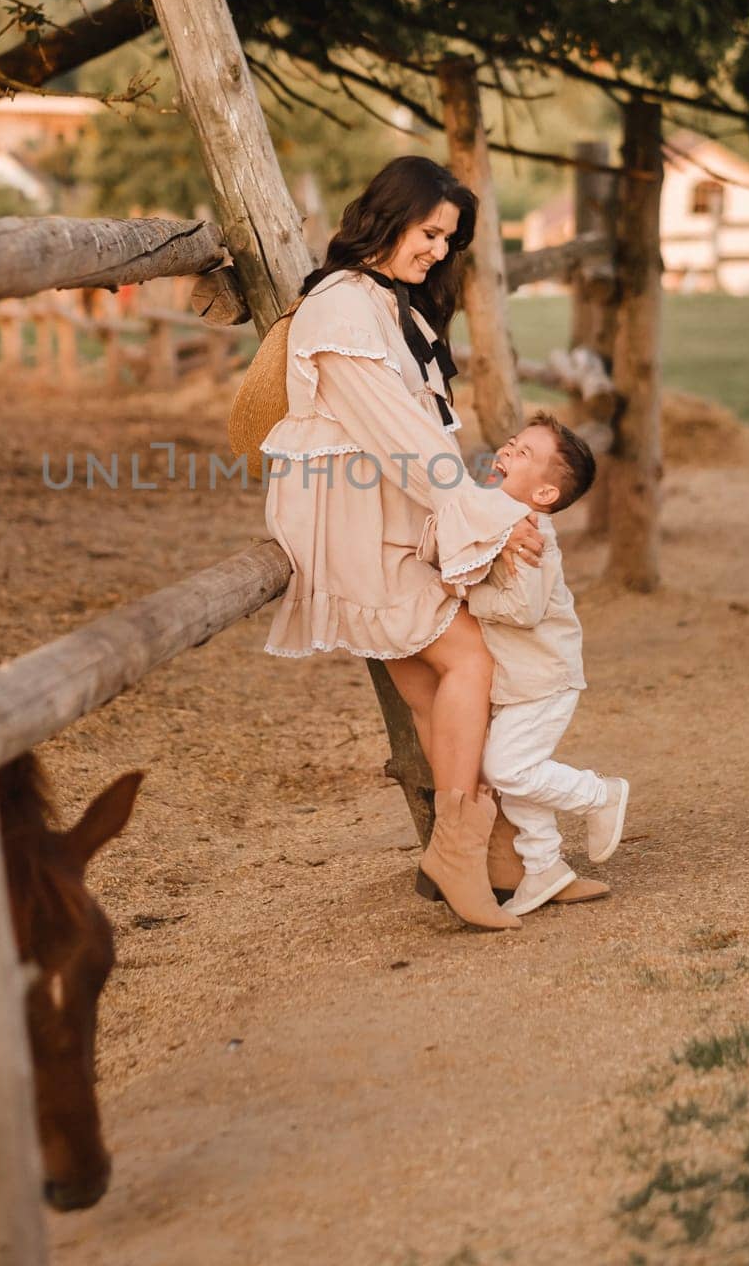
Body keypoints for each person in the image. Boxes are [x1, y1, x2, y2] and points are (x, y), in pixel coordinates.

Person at [259, 156, 545, 932]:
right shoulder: (343, 309)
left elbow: (420, 435)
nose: (437, 251)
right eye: (429, 232)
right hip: (348, 519)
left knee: (431, 689)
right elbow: (400, 440)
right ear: (387, 219)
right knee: (467, 660)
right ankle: (463, 852)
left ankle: (500, 860)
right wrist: (487, 515)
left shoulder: (395, 308)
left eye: (448, 240)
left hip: (387, 513)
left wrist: (468, 510)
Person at [464, 415, 630, 915]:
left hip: (545, 680)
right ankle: (544, 867)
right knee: (517, 777)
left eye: (523, 454)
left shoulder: (533, 537)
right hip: (521, 681)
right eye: (511, 444)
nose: (508, 452)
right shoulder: (502, 520)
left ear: (542, 496)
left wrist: (467, 596)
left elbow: (523, 609)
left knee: (505, 767)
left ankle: (598, 795)